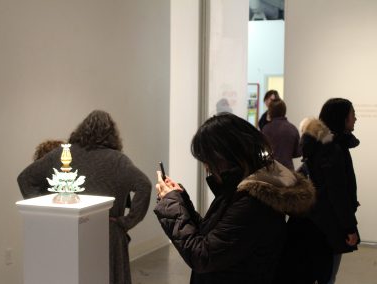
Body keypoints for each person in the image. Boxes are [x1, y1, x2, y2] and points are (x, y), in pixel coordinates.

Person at [154, 113, 315, 284]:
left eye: (208, 160)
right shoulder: (246, 188)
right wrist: (180, 201)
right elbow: (212, 236)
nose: (207, 167)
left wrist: (171, 204)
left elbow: (203, 256)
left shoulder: (253, 201)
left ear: (225, 156)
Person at [17, 110, 152, 284]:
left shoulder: (63, 155)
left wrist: (49, 214)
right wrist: (127, 222)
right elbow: (144, 186)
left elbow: (25, 179)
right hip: (108, 232)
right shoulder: (118, 160)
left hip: (70, 230)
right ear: (112, 134)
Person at [281, 98, 360, 284]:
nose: (355, 119)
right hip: (326, 224)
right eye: (352, 114)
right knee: (325, 275)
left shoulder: (320, 145)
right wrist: (350, 227)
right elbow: (336, 192)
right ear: (342, 118)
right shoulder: (331, 149)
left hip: (314, 221)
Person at [262, 99, 301, 170]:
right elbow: (298, 153)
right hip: (288, 171)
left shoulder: (266, 129)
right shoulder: (292, 128)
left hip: (271, 171)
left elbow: (262, 152)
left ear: (270, 111)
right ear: (284, 111)